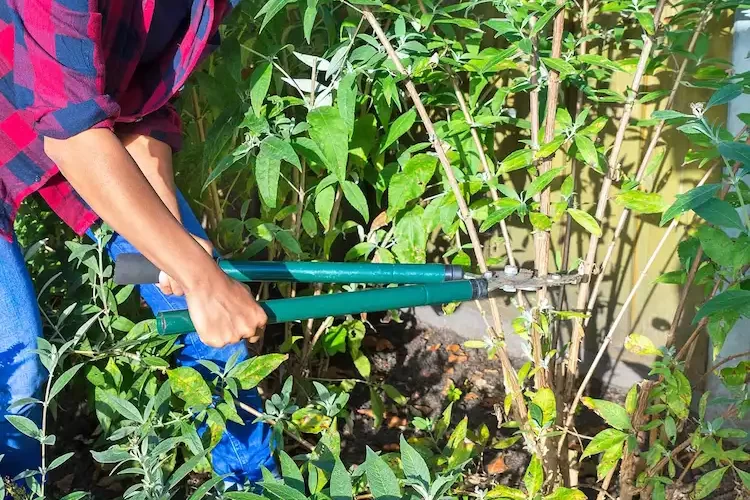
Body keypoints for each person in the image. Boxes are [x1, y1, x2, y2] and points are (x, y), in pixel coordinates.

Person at [0, 0, 274, 484]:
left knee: (207, 324)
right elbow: (73, 136)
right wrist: (200, 276)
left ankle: (253, 488)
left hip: (71, 128)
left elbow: (142, 106)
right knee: (17, 370)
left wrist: (176, 251)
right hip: (63, 130)